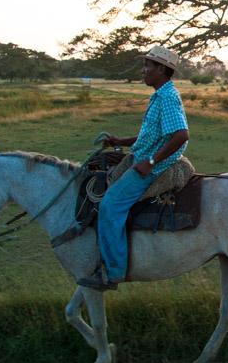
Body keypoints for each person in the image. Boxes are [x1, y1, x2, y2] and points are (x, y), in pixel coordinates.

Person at [78, 45, 189, 290]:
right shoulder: (160, 94)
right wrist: (120, 142)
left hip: (154, 166)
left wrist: (150, 163)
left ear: (162, 69)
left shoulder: (168, 97)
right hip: (143, 156)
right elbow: (151, 136)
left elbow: (181, 135)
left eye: (148, 66)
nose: (144, 70)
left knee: (110, 205)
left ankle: (113, 272)